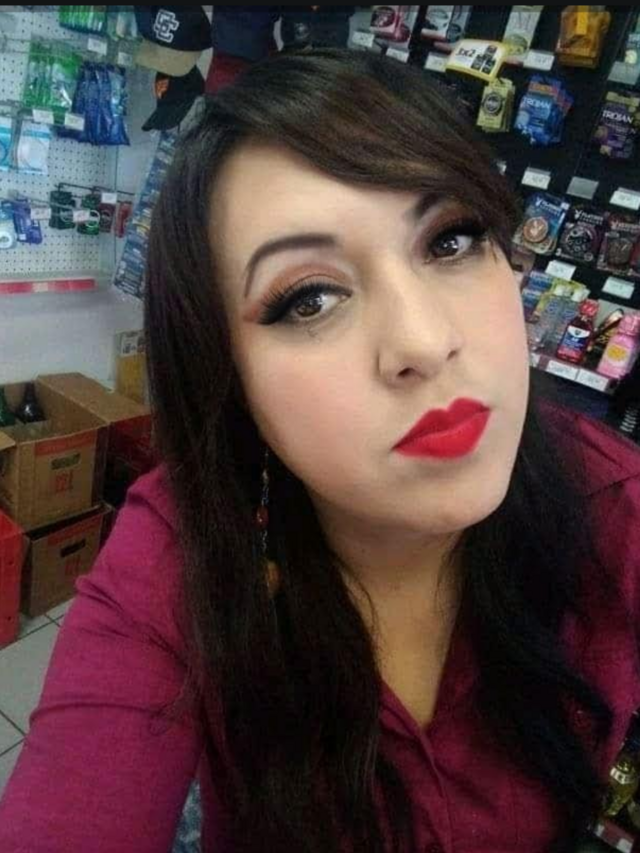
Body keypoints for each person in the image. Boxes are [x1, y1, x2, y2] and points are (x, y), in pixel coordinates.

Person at [1, 48, 640, 853]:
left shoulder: (615, 504)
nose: (424, 341)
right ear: (228, 376)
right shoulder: (183, 551)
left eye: (452, 240)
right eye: (310, 298)